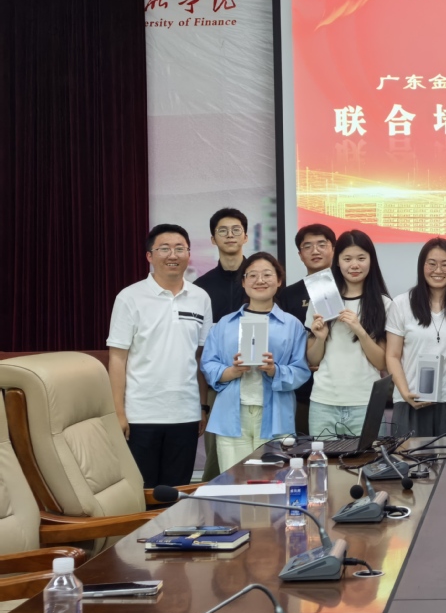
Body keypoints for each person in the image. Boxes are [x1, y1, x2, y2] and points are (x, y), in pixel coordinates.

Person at [107, 224, 212, 488]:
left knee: (176, 492)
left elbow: (200, 357)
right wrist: (118, 412)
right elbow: (117, 358)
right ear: (149, 256)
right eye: (164, 249)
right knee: (141, 492)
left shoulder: (200, 297)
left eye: (180, 248)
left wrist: (201, 407)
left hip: (185, 414)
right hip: (140, 415)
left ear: (189, 254)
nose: (172, 255)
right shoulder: (130, 297)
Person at [201, 253, 311, 472]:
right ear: (243, 282)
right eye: (252, 275)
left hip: (276, 417)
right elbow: (208, 363)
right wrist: (231, 371)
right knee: (233, 481)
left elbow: (301, 370)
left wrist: (275, 370)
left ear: (279, 281)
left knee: (274, 482)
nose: (260, 280)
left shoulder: (292, 325)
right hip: (232, 416)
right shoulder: (225, 324)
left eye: (267, 274)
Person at [385, 238, 446, 436]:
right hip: (411, 399)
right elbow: (392, 355)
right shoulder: (401, 304)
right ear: (422, 266)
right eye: (432, 264)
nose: (438, 270)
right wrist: (404, 392)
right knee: (409, 456)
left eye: (445, 264)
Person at [306, 230, 392, 438]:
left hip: (365, 402)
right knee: (323, 459)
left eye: (361, 258)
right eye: (347, 259)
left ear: (371, 260)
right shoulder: (322, 299)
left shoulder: (383, 304)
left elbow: (382, 363)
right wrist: (320, 338)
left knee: (368, 459)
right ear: (337, 261)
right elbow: (312, 359)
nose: (354, 265)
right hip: (324, 401)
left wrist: (360, 331)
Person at [194, 207, 249, 481]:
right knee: (218, 463)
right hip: (218, 385)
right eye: (223, 231)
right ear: (213, 239)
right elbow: (199, 350)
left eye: (236, 230)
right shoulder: (200, 288)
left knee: (262, 460)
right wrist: (203, 404)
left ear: (245, 237)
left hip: (260, 380)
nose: (230, 235)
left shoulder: (261, 279)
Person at [276, 223, 337, 433]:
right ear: (300, 255)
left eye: (322, 244)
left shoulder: (349, 287)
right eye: (308, 246)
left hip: (343, 385)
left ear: (333, 249)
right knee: (304, 449)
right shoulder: (288, 294)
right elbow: (284, 337)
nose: (315, 251)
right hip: (303, 390)